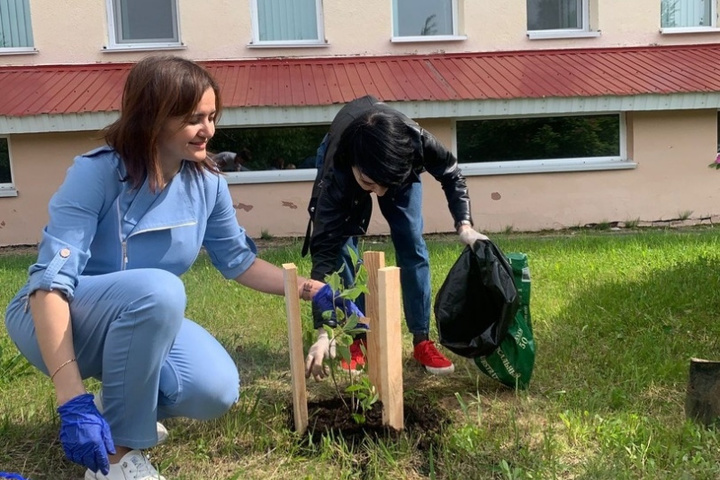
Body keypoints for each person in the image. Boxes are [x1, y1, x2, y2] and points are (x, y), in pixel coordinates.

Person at [3, 55, 350, 480]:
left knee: (215, 389)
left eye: (211, 116)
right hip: (56, 319)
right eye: (193, 119)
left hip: (144, 315)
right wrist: (70, 398)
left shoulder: (207, 184)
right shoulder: (96, 173)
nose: (208, 130)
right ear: (152, 119)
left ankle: (113, 417)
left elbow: (238, 262)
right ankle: (116, 460)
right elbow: (49, 287)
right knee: (161, 290)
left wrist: (310, 289)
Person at [302, 95, 488, 377]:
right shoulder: (337, 173)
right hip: (344, 163)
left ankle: (422, 340)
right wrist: (323, 330)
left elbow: (451, 173)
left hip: (395, 166)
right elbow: (324, 254)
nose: (379, 194)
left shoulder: (414, 143)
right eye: (369, 184)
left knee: (411, 241)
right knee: (343, 253)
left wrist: (464, 225)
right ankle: (357, 337)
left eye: (384, 186)